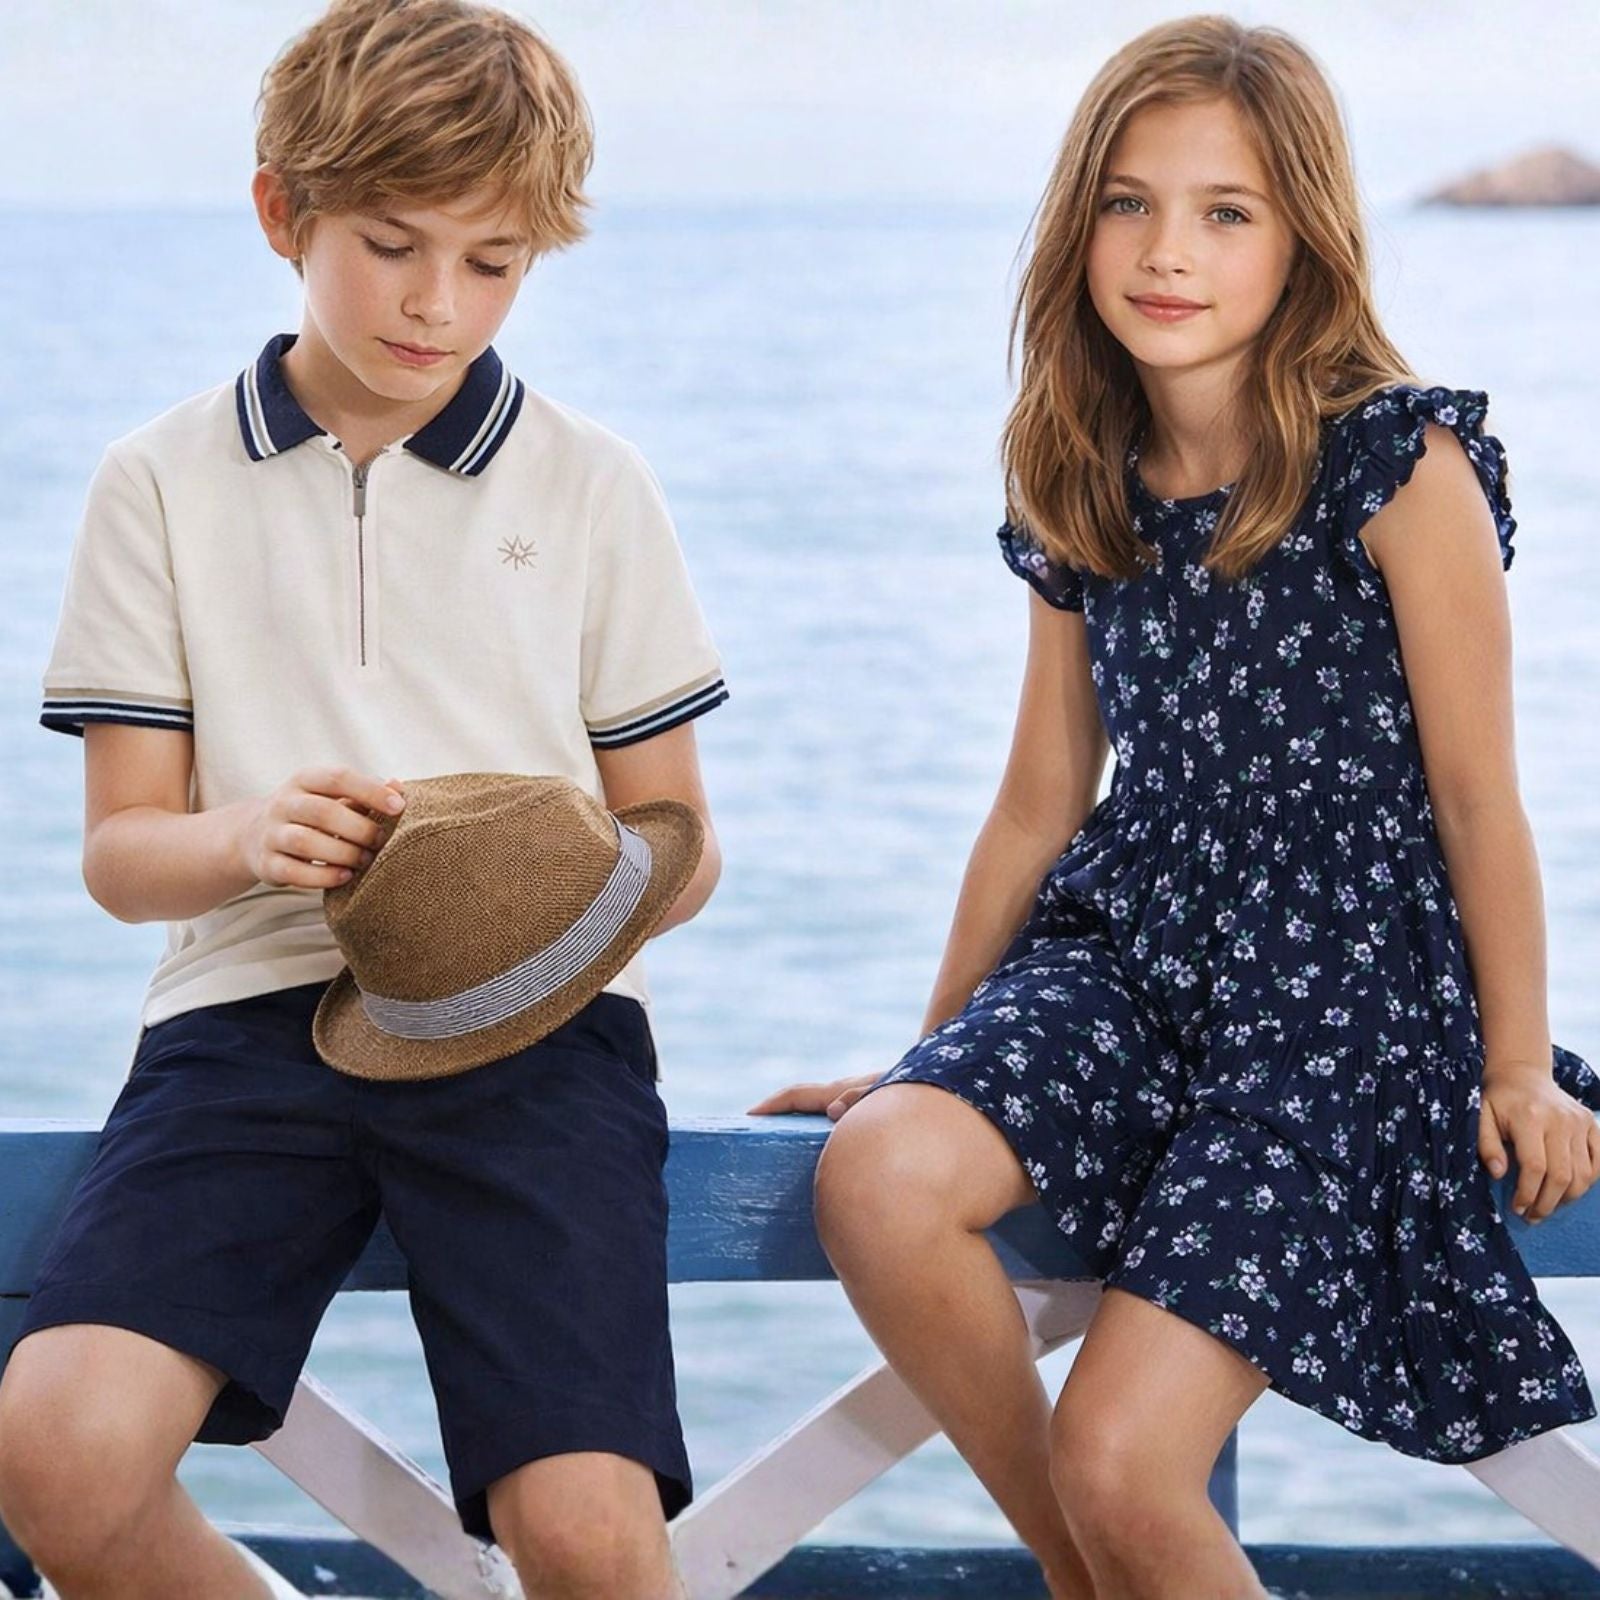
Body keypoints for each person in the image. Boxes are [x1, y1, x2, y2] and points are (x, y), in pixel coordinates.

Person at [752, 15, 1600, 1599]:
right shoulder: (1078, 465)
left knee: (1131, 1460)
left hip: (1345, 993)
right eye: (1129, 203)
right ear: (1079, 222)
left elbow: (1484, 800)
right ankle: (1087, 1578)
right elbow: (1038, 799)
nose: (1166, 252)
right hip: (1134, 950)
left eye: (1226, 212)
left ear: (1305, 241)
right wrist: (926, 1056)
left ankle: (1109, 1549)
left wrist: (1511, 1062)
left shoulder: (1397, 465)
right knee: (880, 1171)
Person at [0, 3, 727, 1597]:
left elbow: (678, 839)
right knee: (54, 1446)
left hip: (541, 1030)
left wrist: (523, 883)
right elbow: (125, 855)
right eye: (393, 243)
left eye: (495, 259)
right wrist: (249, 837)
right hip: (243, 1020)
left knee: (592, 1536)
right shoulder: (157, 481)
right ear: (283, 212)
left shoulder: (595, 484)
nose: (437, 300)